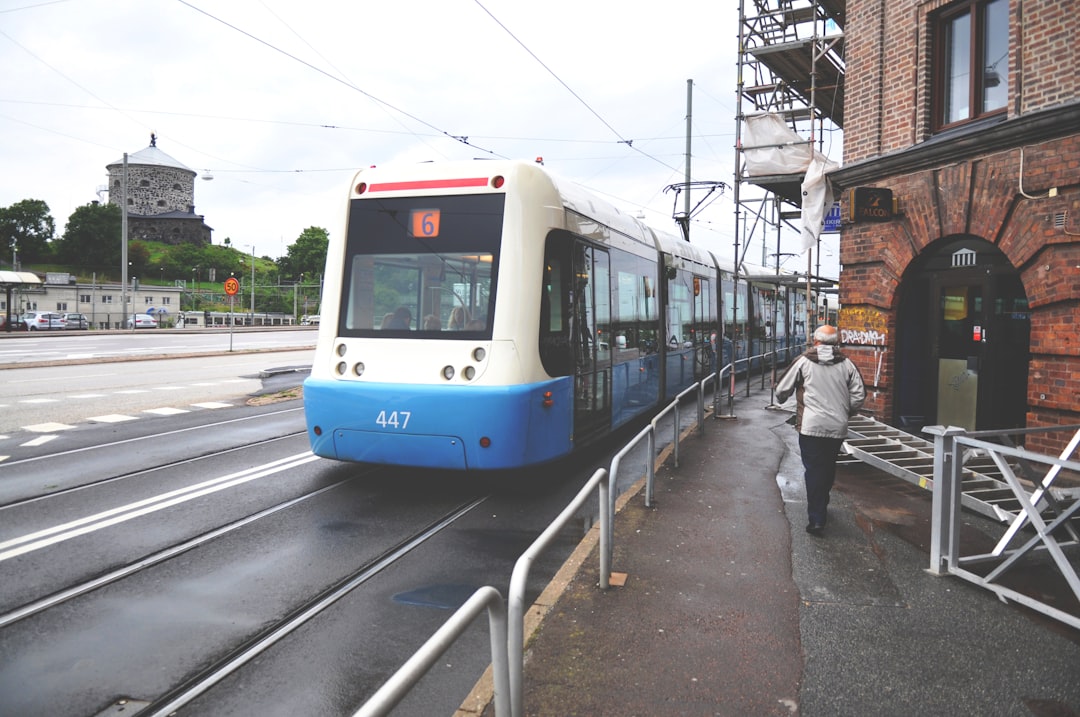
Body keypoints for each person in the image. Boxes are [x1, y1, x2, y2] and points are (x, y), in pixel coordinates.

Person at [774, 325, 866, 536]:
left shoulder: (804, 362)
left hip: (811, 426)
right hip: (837, 426)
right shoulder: (847, 364)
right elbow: (859, 396)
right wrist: (845, 412)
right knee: (827, 466)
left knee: (814, 469)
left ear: (815, 341)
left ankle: (817, 518)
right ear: (836, 342)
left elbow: (781, 390)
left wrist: (782, 399)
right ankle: (821, 503)